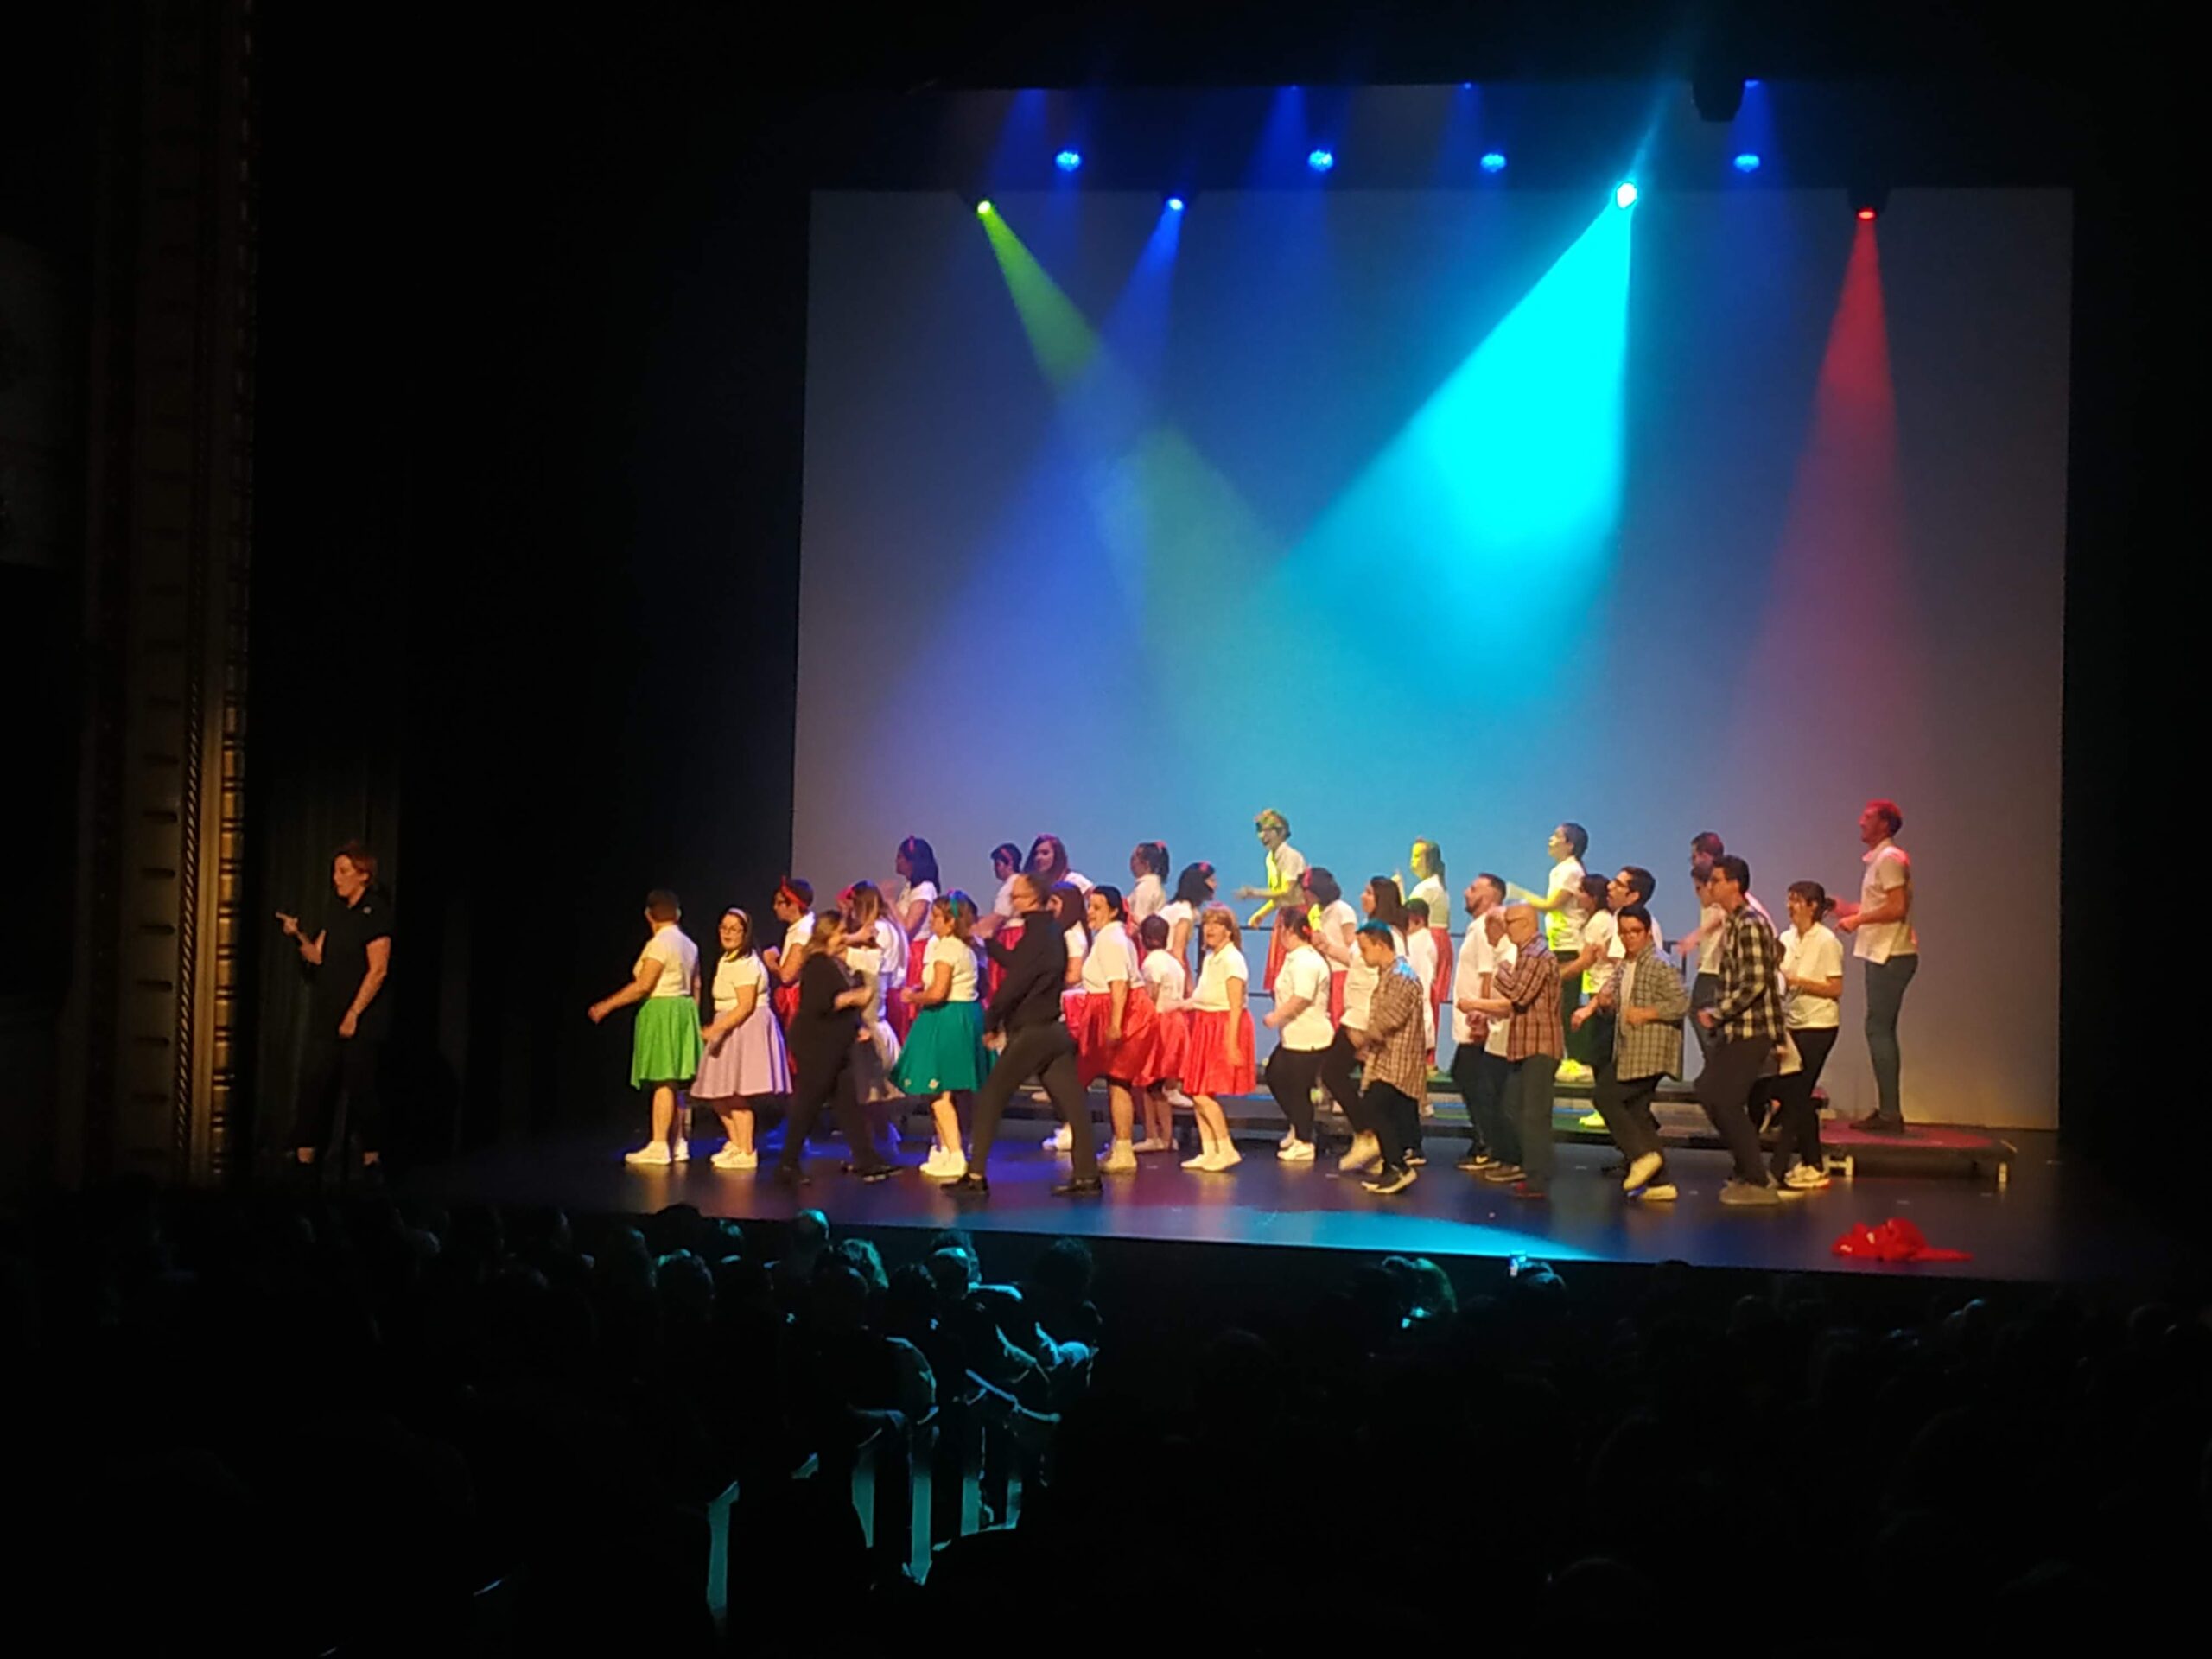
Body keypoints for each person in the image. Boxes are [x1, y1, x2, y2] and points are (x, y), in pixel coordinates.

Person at [951, 874, 1101, 1198]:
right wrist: (989, 944)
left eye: (1017, 897)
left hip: (1033, 1031)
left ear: (1033, 899)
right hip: (1053, 1030)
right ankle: (1087, 1175)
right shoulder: (1049, 933)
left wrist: (992, 1021)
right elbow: (1021, 964)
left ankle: (975, 1175)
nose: (1012, 902)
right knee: (1074, 1106)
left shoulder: (1038, 935)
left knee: (991, 1096)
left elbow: (1016, 982)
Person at [276, 840, 393, 1175]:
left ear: (363, 875)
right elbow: (317, 956)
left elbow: (378, 970)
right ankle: (303, 1157)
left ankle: (372, 1158)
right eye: (335, 871)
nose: (336, 878)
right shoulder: (336, 912)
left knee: (361, 1088)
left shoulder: (376, 913)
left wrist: (354, 1014)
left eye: (343, 871)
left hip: (361, 1018)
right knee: (313, 1083)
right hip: (327, 1013)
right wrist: (297, 935)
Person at [1575, 903, 1689, 1201]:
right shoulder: (1627, 964)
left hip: (1649, 1050)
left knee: (1606, 1096)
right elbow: (1612, 992)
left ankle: (1640, 1156)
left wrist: (1647, 1013)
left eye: (1635, 932)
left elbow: (1680, 1003)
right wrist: (1600, 1006)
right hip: (1630, 1047)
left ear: (1648, 932)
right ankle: (1661, 1182)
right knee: (1638, 1113)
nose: (1629, 938)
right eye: (1624, 933)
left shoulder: (1660, 964)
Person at [1693, 855, 1787, 1205]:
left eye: (1717, 880)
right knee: (1709, 1091)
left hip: (1753, 1029)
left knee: (1725, 1099)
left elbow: (1755, 982)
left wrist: (1719, 1013)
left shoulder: (1750, 924)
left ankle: (1757, 1178)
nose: (1711, 886)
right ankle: (1749, 1170)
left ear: (1735, 883)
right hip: (1737, 1028)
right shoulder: (1733, 923)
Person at [777, 909, 895, 1185]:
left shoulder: (831, 962)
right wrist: (855, 998)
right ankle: (787, 1164)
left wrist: (858, 1025)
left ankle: (867, 1160)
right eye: (840, 932)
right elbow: (820, 1003)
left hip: (835, 1044)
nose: (845, 937)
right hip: (817, 1045)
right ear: (827, 935)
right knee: (808, 1104)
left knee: (847, 1104)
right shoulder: (817, 964)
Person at [589, 888, 703, 1167]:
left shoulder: (660, 944)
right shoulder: (689, 945)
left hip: (662, 1008)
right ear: (677, 914)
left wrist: (606, 1005)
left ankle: (659, 1145)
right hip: (683, 1008)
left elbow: (643, 985)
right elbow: (697, 985)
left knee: (663, 1080)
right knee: (674, 1081)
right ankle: (678, 1142)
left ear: (649, 915)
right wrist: (691, 1017)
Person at [1469, 904, 1564, 1199]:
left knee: (1533, 1113)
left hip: (1540, 1045)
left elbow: (1519, 994)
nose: (1505, 930)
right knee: (1514, 1106)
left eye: (1509, 923)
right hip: (1525, 1045)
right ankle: (1534, 1166)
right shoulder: (1527, 954)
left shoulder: (1536, 955)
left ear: (1525, 923)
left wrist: (1502, 969)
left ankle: (1537, 1176)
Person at [1835, 798, 1916, 1132]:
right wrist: (1845, 909)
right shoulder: (1880, 861)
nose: (1860, 821)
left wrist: (1858, 920)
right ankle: (1888, 1111)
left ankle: (1890, 1113)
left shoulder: (1890, 859)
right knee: (1878, 1028)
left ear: (1884, 824)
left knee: (1878, 1028)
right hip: (1882, 952)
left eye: (1867, 817)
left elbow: (1897, 908)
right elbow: (1880, 905)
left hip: (1891, 954)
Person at [894, 892, 989, 1179]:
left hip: (946, 1018)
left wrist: (912, 997)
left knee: (938, 1089)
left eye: (936, 917)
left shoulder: (946, 948)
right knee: (958, 1089)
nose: (931, 922)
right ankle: (949, 1148)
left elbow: (938, 992)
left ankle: (955, 1153)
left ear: (950, 922)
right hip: (966, 1016)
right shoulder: (968, 948)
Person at [1321, 878, 1410, 1174]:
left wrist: (1371, 1027)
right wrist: (1328, 948)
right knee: (1358, 1082)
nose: (1363, 897)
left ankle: (1367, 1135)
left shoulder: (1389, 934)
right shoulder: (1371, 930)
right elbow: (1357, 962)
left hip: (1363, 1018)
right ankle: (1378, 1149)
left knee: (1333, 1072)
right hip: (1355, 1013)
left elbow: (1388, 977)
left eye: (1369, 893)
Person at [694, 907, 791, 1170]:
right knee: (716, 1092)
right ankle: (736, 1142)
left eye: (735, 929)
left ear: (745, 933)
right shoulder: (728, 959)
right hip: (729, 1022)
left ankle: (746, 1151)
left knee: (735, 1094)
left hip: (743, 1027)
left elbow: (745, 1005)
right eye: (724, 928)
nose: (728, 934)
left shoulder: (746, 963)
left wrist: (716, 1030)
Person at [1075, 886, 1161, 1174]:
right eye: (1090, 906)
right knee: (1116, 1081)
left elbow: (1119, 984)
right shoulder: (1109, 937)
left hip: (1125, 1013)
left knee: (1119, 1080)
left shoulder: (1111, 940)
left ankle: (1124, 1149)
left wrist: (1114, 1024)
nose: (1090, 912)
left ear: (1113, 911)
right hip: (1116, 1010)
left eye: (1097, 907)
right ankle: (1119, 1145)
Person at [1773, 880, 1846, 1186]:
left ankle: (1787, 1166)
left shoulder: (1827, 941)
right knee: (1795, 1095)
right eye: (1789, 899)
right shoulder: (1786, 938)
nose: (1790, 906)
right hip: (1793, 1022)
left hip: (1819, 1025)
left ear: (1813, 906)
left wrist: (1799, 981)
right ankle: (1811, 1162)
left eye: (1797, 900)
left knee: (1798, 1092)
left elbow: (1835, 987)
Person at [1349, 922, 1429, 1196]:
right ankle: (1391, 1168)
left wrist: (1361, 1037)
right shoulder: (1390, 975)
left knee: (1373, 1106)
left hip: (1398, 1060)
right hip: (1386, 1057)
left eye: (1365, 949)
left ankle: (1398, 1166)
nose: (1362, 956)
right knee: (1384, 1110)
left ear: (1381, 945)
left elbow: (1390, 1018)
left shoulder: (1401, 977)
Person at [1182, 905, 1255, 1171]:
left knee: (1203, 1094)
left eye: (1216, 924)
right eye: (1207, 923)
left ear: (1228, 930)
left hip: (1222, 1025)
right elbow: (1203, 996)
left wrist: (1231, 1042)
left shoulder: (1232, 960)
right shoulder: (1212, 958)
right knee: (1196, 1091)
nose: (1210, 929)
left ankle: (1226, 1148)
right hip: (1205, 1023)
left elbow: (1235, 1005)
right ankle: (1209, 1149)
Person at [1262, 905, 1332, 1162]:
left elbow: (1302, 997)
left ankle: (1304, 1141)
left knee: (1297, 1088)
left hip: (1308, 1036)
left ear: (1289, 930)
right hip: (1294, 1035)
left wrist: (1276, 1016)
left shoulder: (1306, 961)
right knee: (1276, 1075)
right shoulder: (1295, 957)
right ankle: (1298, 1126)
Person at [1523, 822, 1592, 1083]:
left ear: (1570, 844)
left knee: (1567, 1004)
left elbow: (1551, 904)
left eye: (1556, 836)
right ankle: (1568, 1057)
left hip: (1570, 945)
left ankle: (1577, 1059)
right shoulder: (1561, 870)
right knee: (1560, 1004)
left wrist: (1519, 896)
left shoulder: (1571, 870)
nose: (1550, 840)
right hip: (1560, 944)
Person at [1449, 873, 1509, 1173]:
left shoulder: (1487, 928)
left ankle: (1489, 1143)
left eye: (1473, 889)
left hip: (1479, 1022)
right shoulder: (1477, 928)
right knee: (1467, 1077)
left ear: (1489, 896)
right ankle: (1485, 1140)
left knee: (1474, 1080)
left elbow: (1488, 974)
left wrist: (1482, 1017)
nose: (1466, 892)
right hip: (1473, 1018)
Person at [838, 881, 906, 1103]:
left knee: (872, 1039)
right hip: (881, 991)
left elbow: (869, 964)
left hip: (877, 991)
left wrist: (850, 937)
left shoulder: (878, 930)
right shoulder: (887, 926)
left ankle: (881, 1098)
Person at [1039, 880, 1092, 1152]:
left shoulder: (1072, 935)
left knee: (1062, 1070)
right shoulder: (1070, 932)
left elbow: (1073, 974)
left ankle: (1072, 1126)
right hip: (1066, 1004)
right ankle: (1069, 1125)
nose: (1050, 907)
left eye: (1055, 902)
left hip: (1070, 1007)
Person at [1236, 808, 1308, 994]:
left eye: (1268, 831)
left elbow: (1286, 890)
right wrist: (1261, 913)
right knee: (1278, 977)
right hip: (1285, 914)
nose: (1263, 836)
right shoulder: (1270, 858)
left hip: (1300, 916)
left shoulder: (1290, 856)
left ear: (1281, 832)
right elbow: (1279, 895)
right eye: (1260, 831)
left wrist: (1254, 893)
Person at [1133, 913, 1187, 1152]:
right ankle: (1166, 1137)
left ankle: (1153, 1135)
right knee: (1159, 1085)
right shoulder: (1173, 962)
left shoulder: (1152, 963)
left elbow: (1150, 996)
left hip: (1159, 1023)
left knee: (1147, 1081)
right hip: (1175, 1022)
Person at [890, 837, 941, 1038]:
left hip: (917, 954)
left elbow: (908, 927)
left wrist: (889, 902)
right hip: (906, 951)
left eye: (900, 857)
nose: (896, 861)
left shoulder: (925, 888)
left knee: (911, 1008)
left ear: (912, 861)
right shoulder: (909, 888)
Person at [1405, 837, 1452, 1039]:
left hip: (1428, 940)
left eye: (1418, 857)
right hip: (1439, 940)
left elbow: (1409, 915)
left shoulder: (1426, 889)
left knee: (1424, 994)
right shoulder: (1435, 886)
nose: (1413, 862)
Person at [1303, 867, 1360, 1021]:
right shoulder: (1321, 914)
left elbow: (1353, 952)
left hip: (1341, 975)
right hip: (1328, 975)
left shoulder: (1342, 909)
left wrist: (1328, 947)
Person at [764, 877, 816, 1028]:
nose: (775, 907)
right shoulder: (800, 927)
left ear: (793, 904)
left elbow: (787, 976)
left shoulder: (803, 932)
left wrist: (770, 962)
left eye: (779, 903)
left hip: (797, 1004)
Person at [1159, 861, 1217, 984]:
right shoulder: (1184, 913)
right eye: (1212, 881)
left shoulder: (1176, 908)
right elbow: (1177, 951)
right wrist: (1187, 983)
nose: (1216, 885)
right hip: (1166, 970)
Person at [976, 842, 1024, 940]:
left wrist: (975, 930)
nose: (994, 868)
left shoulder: (1010, 886)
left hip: (1011, 936)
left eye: (998, 864)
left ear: (1010, 864)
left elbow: (999, 917)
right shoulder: (1022, 882)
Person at [1025, 833, 1091, 894]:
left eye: (1045, 853)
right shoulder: (1031, 885)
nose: (1038, 858)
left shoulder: (1073, 880)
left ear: (1057, 856)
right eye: (1035, 854)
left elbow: (1095, 898)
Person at [1128, 841, 1169, 924]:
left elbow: (1139, 919)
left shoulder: (1145, 888)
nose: (1131, 863)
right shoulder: (1155, 886)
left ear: (1146, 864)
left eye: (1133, 859)